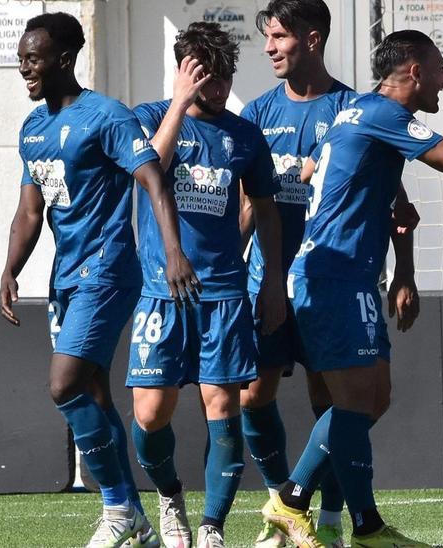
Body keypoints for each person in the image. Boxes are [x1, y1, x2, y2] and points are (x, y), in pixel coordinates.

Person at [263, 29, 443, 548]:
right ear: (414, 71)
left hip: (353, 274)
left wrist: (391, 229)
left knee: (374, 398)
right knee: (352, 403)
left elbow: (314, 170)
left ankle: (318, 510)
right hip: (331, 274)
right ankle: (311, 508)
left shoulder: (357, 114)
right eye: (439, 68)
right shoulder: (383, 113)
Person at [0, 12, 198, 548]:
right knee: (93, 394)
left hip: (107, 273)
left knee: (62, 384)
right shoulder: (33, 128)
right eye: (21, 58)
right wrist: (10, 268)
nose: (24, 69)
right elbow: (29, 211)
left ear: (64, 59)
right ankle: (135, 520)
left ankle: (114, 509)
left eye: (33, 58)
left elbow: (153, 178)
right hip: (65, 279)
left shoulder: (106, 116)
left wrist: (174, 252)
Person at [127, 21, 287, 548]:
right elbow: (150, 170)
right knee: (151, 416)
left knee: (224, 409)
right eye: (205, 78)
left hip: (224, 294)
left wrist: (271, 284)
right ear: (183, 72)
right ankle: (170, 497)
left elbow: (264, 210)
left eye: (224, 78)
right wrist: (178, 103)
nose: (216, 90)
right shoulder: (150, 118)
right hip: (160, 293)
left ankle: (213, 526)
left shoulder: (244, 135)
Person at [236, 1, 360, 546]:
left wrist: (403, 272)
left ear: (312, 39)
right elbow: (242, 204)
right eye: (268, 37)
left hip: (329, 278)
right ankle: (284, 505)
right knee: (252, 396)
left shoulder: (353, 109)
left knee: (330, 399)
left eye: (279, 36)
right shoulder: (258, 114)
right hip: (265, 278)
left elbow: (389, 202)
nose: (268, 47)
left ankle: (329, 518)